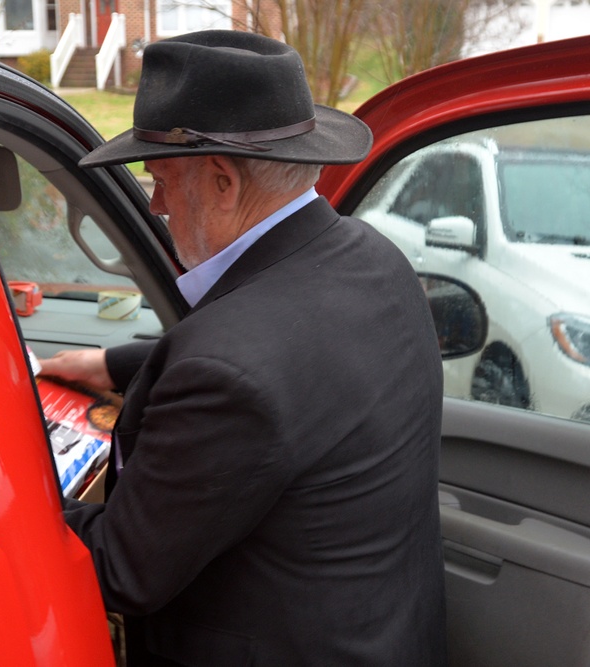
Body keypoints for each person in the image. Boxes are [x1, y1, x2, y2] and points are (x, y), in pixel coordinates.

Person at [40, 30, 448, 666]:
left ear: (223, 181)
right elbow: (292, 359)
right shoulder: (375, 262)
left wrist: (3, 490)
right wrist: (109, 363)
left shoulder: (230, 371)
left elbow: (121, 570)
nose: (156, 205)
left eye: (162, 181)